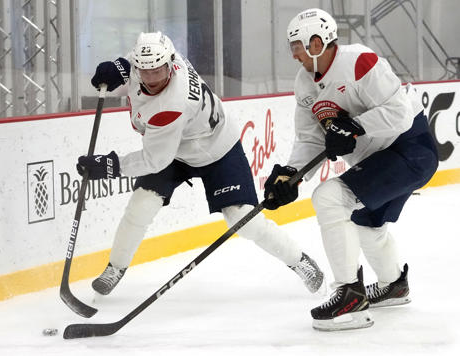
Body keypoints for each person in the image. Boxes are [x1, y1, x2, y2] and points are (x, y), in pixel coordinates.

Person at [77, 31, 326, 298]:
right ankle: (116, 267)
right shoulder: (157, 58)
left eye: (158, 72)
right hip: (177, 149)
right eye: (144, 72)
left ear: (171, 65)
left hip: (217, 149)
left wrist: (111, 166)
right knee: (141, 204)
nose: (151, 80)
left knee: (245, 221)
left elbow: (155, 160)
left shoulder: (172, 103)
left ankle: (299, 261)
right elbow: (142, 56)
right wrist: (119, 67)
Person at [263, 9, 438, 331]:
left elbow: (399, 114)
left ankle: (350, 298)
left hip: (410, 149)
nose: (293, 53)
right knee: (364, 222)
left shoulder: (359, 61)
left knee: (330, 197)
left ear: (317, 42)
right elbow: (311, 137)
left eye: (297, 45)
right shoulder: (305, 82)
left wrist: (355, 126)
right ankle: (393, 285)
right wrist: (291, 174)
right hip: (377, 159)